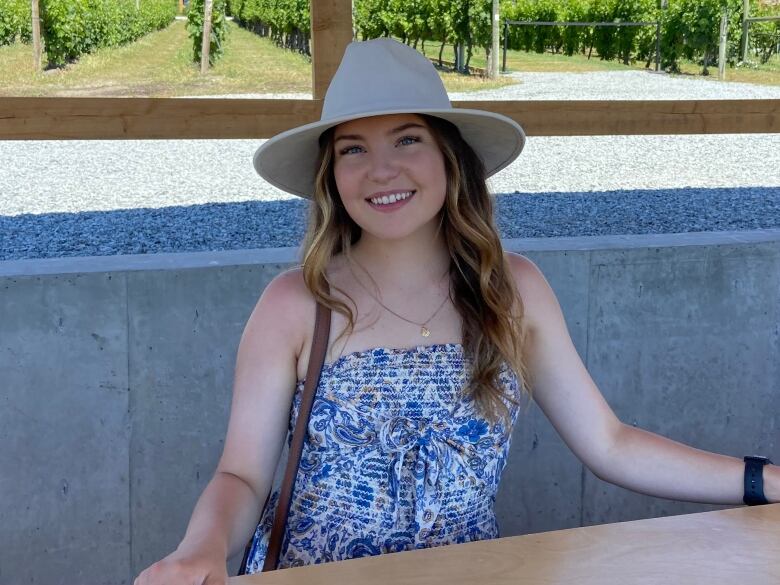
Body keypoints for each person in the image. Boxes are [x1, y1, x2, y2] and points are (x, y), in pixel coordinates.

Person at [134, 38, 778, 585]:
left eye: (407, 139)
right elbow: (242, 475)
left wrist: (764, 481)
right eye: (352, 149)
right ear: (331, 174)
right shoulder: (297, 303)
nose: (380, 170)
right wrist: (202, 548)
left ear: (450, 156)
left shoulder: (512, 291)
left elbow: (610, 444)